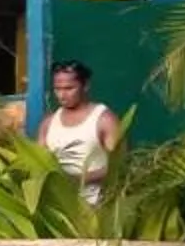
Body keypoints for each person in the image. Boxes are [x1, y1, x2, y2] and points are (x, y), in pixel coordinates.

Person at [29, 59, 118, 203]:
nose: (62, 95)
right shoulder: (48, 123)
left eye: (69, 88)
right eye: (57, 89)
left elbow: (118, 167)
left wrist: (78, 179)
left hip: (97, 207)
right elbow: (37, 163)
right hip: (58, 209)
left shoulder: (104, 120)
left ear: (86, 85)